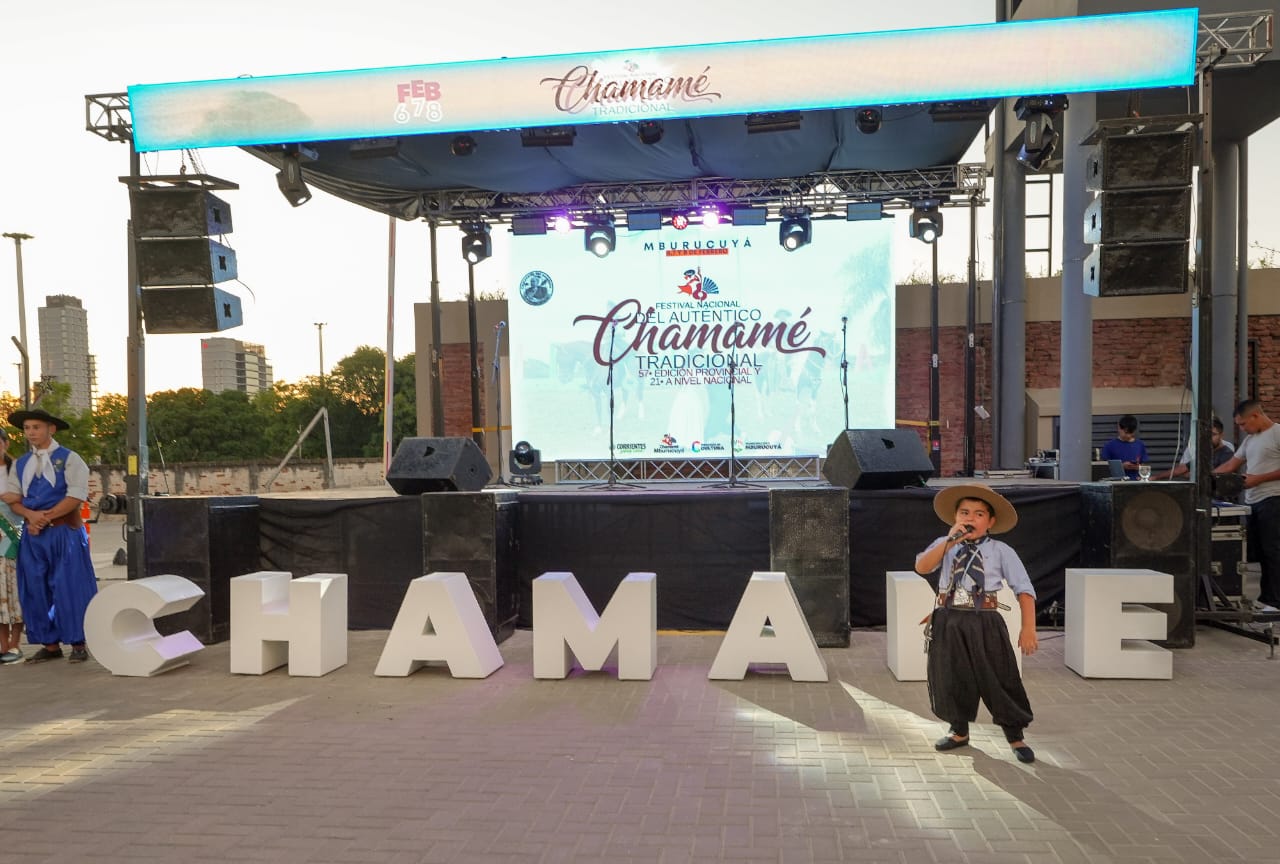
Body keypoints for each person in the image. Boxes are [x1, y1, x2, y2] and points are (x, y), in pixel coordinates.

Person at [915, 483, 1038, 764]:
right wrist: (949, 542)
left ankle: (1015, 735)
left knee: (999, 675)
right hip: (949, 619)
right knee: (951, 675)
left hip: (985, 620)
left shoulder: (1001, 550)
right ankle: (959, 730)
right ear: (955, 517)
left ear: (990, 521)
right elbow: (922, 567)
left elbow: (1024, 589)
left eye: (979, 514)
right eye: (964, 513)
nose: (970, 518)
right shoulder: (945, 544)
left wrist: (1028, 627)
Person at [1, 408, 98, 664]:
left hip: (64, 531)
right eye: (27, 428)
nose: (31, 432)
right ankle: (50, 644)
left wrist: (43, 518)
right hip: (34, 535)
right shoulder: (21, 463)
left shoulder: (70, 459)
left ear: (50, 429)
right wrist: (30, 516)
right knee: (35, 587)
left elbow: (75, 496)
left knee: (70, 586)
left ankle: (78, 642)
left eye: (36, 427)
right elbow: (14, 498)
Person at [1215, 400, 1280, 609]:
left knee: (1273, 551)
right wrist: (1207, 477)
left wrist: (1259, 479)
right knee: (1258, 552)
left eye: (1243, 424)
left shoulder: (1277, 433)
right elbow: (1231, 464)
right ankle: (1266, 597)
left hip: (1273, 499)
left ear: (1255, 416)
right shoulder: (1250, 440)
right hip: (1253, 501)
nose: (1242, 429)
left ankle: (1275, 601)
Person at [0, 434, 23, 663]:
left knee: (14, 593)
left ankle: (15, 645)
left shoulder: (17, 470)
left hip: (13, 539)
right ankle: (3, 646)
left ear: (6, 443)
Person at [1157, 416, 1235, 480]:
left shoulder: (1227, 453)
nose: (1209, 438)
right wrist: (1156, 477)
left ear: (1221, 435)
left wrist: (1198, 475)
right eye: (1207, 434)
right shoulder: (1205, 452)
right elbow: (1182, 469)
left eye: (1213, 434)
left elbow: (1218, 475)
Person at [1100, 414, 1149, 480]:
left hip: (1136, 482)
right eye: (1126, 432)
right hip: (1116, 482)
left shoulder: (1140, 445)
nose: (1128, 436)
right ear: (1119, 428)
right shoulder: (1109, 446)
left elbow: (1144, 466)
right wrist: (1121, 466)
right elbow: (1103, 468)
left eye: (1130, 433)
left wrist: (1138, 467)